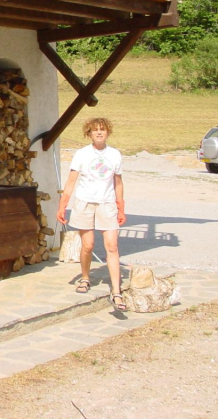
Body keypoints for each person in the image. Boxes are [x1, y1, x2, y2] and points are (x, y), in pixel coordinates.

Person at [56, 117, 127, 311]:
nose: (99, 133)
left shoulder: (114, 154)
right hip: (85, 203)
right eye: (95, 130)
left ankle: (117, 291)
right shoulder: (81, 154)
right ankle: (85, 278)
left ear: (107, 132)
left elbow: (118, 183)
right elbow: (71, 181)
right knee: (88, 245)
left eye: (102, 129)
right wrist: (62, 206)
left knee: (112, 246)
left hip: (107, 204)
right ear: (89, 134)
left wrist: (121, 207)